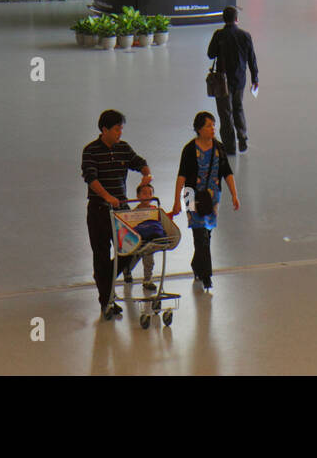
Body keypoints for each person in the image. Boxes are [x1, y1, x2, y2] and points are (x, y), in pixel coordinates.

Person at [81, 109, 153, 320]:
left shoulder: (123, 148)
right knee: (101, 254)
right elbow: (91, 178)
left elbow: (139, 162)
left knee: (130, 248)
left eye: (121, 128)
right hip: (99, 211)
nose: (120, 132)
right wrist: (107, 196)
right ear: (104, 130)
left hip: (121, 213)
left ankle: (105, 282)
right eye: (116, 129)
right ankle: (107, 301)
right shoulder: (90, 151)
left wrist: (146, 174)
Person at [169, 112, 240, 292]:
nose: (212, 128)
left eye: (213, 125)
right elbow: (182, 175)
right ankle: (207, 275)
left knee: (206, 235)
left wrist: (234, 194)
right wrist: (177, 200)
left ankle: (196, 264)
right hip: (191, 194)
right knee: (199, 234)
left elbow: (227, 172)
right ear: (199, 129)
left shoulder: (219, 148)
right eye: (208, 125)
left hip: (212, 196)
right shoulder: (189, 149)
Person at [206, 5, 259, 154]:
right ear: (237, 19)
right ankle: (242, 138)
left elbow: (210, 54)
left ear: (224, 19)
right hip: (239, 80)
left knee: (225, 113)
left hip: (223, 82)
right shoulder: (245, 35)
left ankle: (230, 146)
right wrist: (255, 77)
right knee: (238, 108)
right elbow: (252, 59)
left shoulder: (219, 35)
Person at [127, 182, 160, 293]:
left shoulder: (154, 210)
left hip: (150, 240)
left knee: (149, 259)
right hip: (138, 240)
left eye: (150, 193)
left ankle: (147, 280)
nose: (147, 196)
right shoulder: (134, 213)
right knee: (134, 256)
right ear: (138, 196)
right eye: (144, 193)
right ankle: (127, 270)